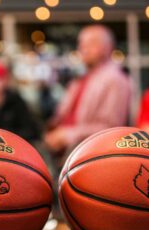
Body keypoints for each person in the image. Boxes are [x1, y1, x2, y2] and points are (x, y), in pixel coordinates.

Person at [44, 24, 131, 158]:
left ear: (106, 47)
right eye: (81, 44)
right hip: (66, 152)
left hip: (90, 155)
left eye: (91, 44)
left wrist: (68, 134)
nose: (82, 49)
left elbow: (111, 128)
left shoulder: (115, 80)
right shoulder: (81, 79)